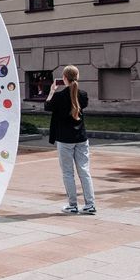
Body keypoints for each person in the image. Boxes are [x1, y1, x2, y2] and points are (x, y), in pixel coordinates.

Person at [45, 65, 97, 215]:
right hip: (81, 138)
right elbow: (80, 104)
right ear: (77, 77)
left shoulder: (59, 97)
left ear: (64, 78)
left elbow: (47, 107)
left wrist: (51, 91)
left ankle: (72, 205)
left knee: (68, 173)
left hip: (64, 139)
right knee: (84, 171)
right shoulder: (83, 95)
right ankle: (90, 204)